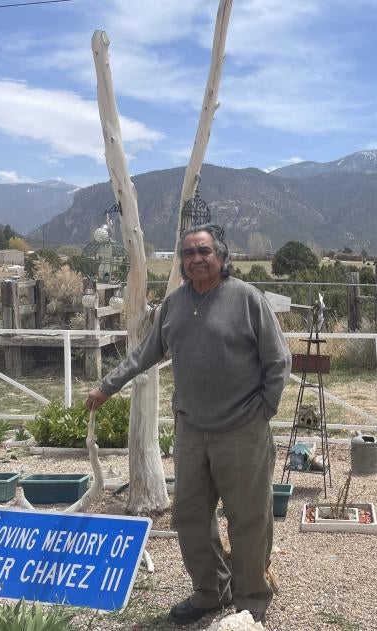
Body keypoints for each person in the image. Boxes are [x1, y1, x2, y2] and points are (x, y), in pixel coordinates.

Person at [86, 223, 291, 625]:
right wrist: (106, 387)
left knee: (248, 518)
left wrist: (264, 410)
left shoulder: (247, 299)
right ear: (181, 261)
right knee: (191, 516)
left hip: (243, 431)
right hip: (192, 431)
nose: (196, 259)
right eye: (188, 253)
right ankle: (210, 590)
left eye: (204, 251)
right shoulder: (174, 305)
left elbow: (278, 360)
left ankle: (251, 600)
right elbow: (144, 354)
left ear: (221, 256)